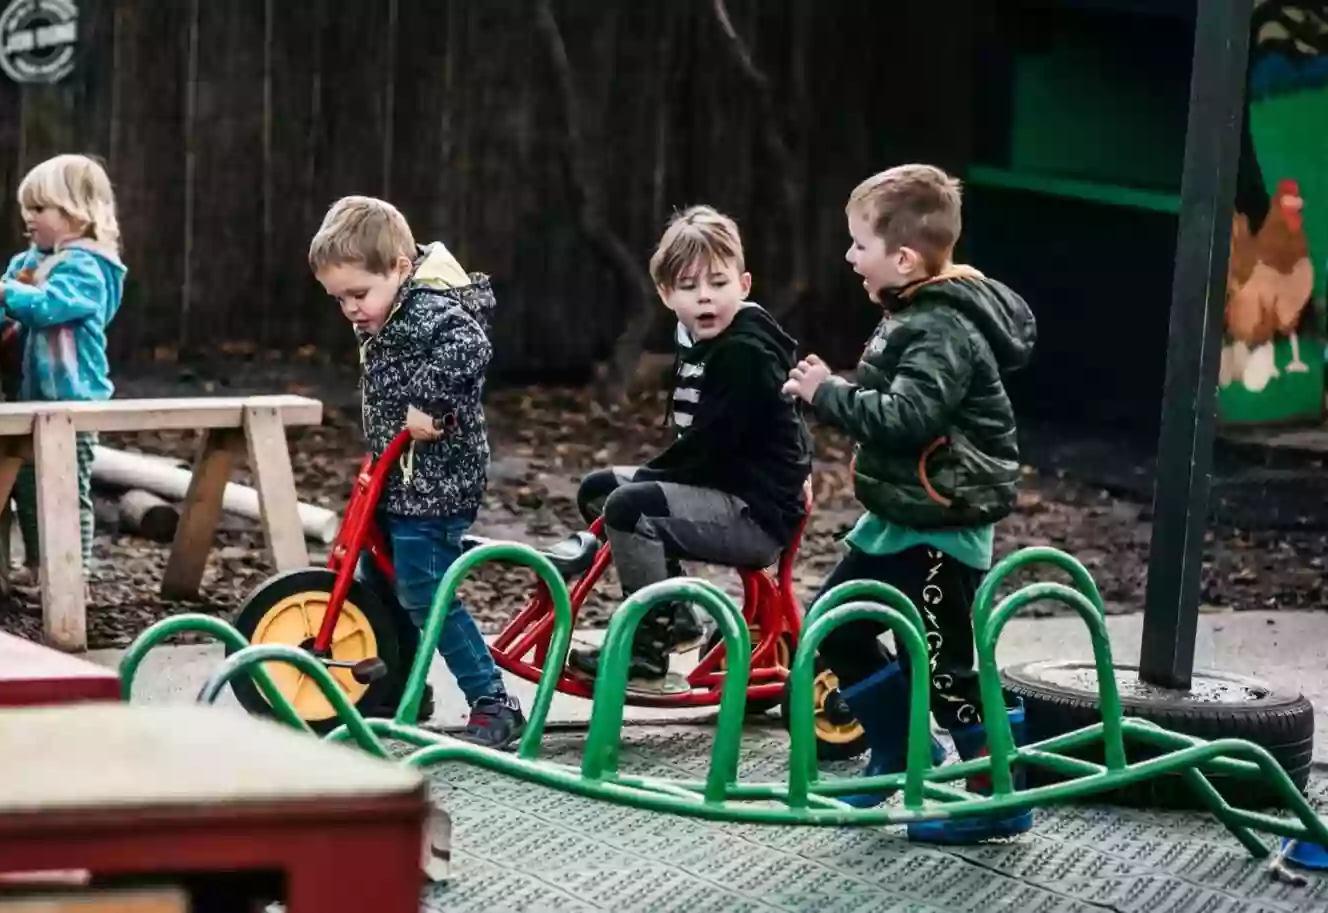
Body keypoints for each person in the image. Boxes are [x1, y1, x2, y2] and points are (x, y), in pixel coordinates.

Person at [783, 163, 1037, 843]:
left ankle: (1000, 798)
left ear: (902, 258)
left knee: (947, 667)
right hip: (901, 517)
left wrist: (825, 393)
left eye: (858, 244)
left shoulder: (942, 327)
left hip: (941, 526)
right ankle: (903, 754)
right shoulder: (912, 311)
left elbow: (906, 416)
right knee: (834, 627)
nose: (848, 256)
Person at [308, 195, 525, 749]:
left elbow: (470, 345)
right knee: (382, 580)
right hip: (397, 472)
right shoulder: (390, 306)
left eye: (359, 294)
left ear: (401, 269)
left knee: (426, 588)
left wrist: (428, 400)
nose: (352, 309)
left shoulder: (428, 308)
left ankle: (493, 701)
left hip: (437, 481)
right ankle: (404, 685)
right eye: (338, 300)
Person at [567, 205, 814, 689]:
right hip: (722, 486)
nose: (705, 297)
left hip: (754, 513)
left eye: (718, 284)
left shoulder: (744, 352)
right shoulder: (702, 338)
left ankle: (646, 651)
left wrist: (796, 473)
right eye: (689, 286)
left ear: (743, 285)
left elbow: (712, 447)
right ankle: (676, 613)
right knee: (599, 490)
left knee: (628, 507)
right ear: (666, 294)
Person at [0, 154, 127, 588]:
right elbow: (9, 305)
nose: (29, 217)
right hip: (29, 395)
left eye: (40, 208)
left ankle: (71, 572)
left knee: (65, 487)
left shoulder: (88, 267)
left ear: (78, 214)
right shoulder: (28, 261)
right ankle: (40, 565)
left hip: (72, 398)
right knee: (26, 485)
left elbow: (45, 307)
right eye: (27, 207)